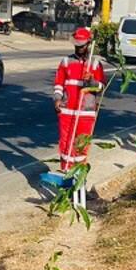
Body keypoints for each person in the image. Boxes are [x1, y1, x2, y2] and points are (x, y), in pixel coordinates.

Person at [53, 27, 106, 170]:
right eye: (76, 45)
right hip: (67, 111)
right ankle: (65, 173)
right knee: (65, 145)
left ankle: (78, 179)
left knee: (81, 146)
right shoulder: (66, 62)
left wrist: (92, 81)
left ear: (88, 44)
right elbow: (59, 83)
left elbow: (101, 87)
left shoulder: (94, 65)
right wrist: (57, 99)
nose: (79, 48)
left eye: (81, 45)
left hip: (85, 113)